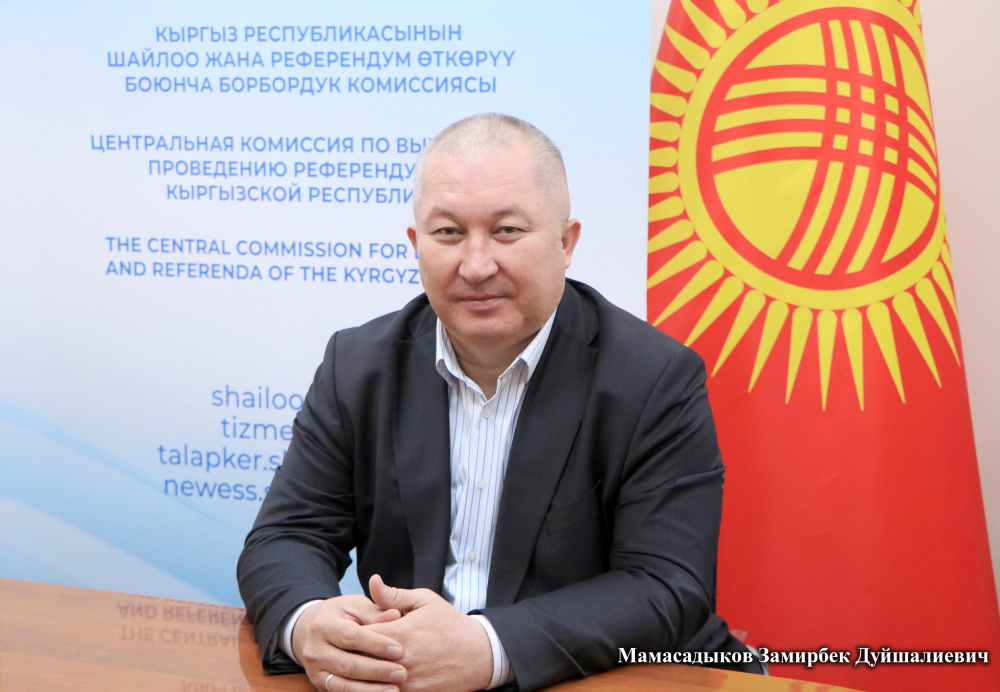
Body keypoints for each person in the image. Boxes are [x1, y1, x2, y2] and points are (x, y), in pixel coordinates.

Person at [237, 113, 760, 692]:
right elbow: (286, 538)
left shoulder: (653, 377)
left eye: (507, 231)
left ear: (566, 243)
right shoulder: (358, 366)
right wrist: (308, 622)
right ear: (416, 244)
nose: (476, 264)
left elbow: (668, 586)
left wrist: (490, 648)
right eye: (448, 233)